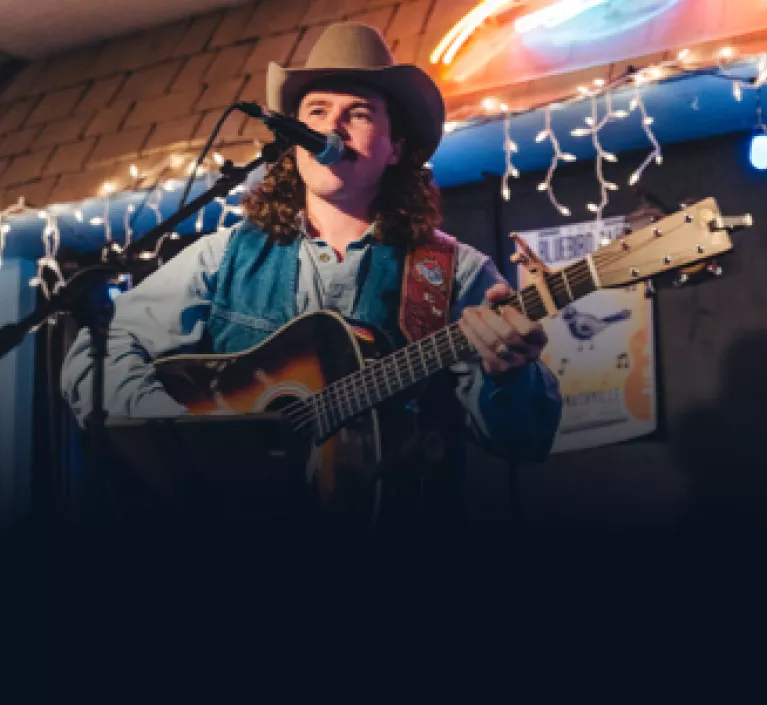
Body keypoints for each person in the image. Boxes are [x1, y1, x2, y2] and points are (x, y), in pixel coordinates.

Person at [61, 22, 562, 528]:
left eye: (358, 114)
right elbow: (93, 357)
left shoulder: (456, 272)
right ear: (291, 141)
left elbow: (525, 440)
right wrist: (185, 435)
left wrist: (511, 375)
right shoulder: (224, 255)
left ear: (395, 147)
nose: (331, 129)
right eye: (316, 113)